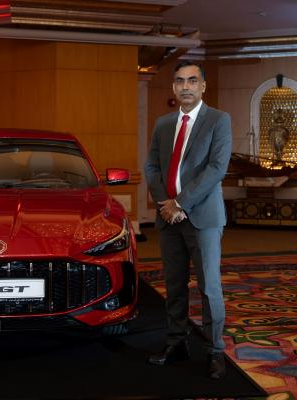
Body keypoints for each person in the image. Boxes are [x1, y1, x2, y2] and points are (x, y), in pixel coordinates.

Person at [144, 60, 232, 379]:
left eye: (192, 80)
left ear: (203, 86)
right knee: (174, 285)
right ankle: (176, 342)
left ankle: (215, 351)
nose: (185, 86)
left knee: (209, 287)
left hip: (203, 218)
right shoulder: (164, 124)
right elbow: (152, 167)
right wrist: (166, 205)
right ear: (173, 87)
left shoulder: (218, 120)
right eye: (180, 81)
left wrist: (180, 203)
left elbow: (217, 169)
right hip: (169, 219)